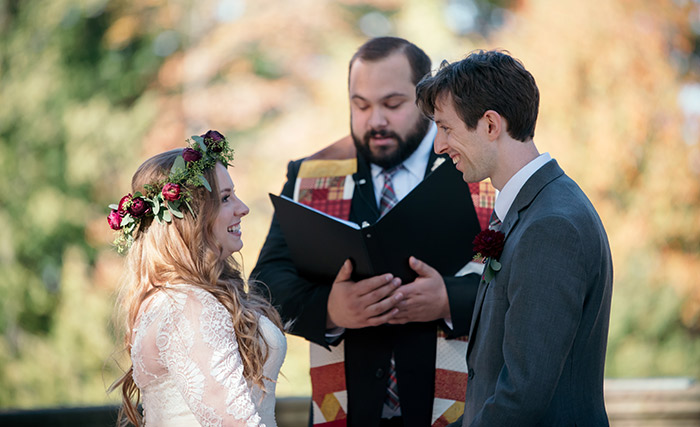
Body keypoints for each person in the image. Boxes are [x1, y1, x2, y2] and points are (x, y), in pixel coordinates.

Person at [252, 37, 495, 427]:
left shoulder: (477, 173)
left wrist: (448, 299)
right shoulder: (313, 175)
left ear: (428, 101)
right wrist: (330, 308)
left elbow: (524, 285)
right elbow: (265, 285)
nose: (375, 120)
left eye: (393, 104)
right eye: (360, 105)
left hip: (457, 414)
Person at [415, 50, 613, 426]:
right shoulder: (532, 209)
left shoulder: (551, 226)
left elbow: (522, 395)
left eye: (447, 128)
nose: (439, 146)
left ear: (490, 125)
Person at [108, 130, 287, 426]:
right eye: (226, 199)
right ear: (192, 217)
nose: (243, 208)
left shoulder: (176, 297)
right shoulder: (188, 307)